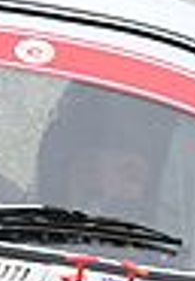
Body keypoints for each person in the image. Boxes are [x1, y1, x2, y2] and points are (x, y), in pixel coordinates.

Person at [33, 82, 174, 227]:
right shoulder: (27, 221)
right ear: (62, 175)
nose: (108, 188)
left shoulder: (173, 231)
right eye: (90, 169)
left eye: (130, 175)